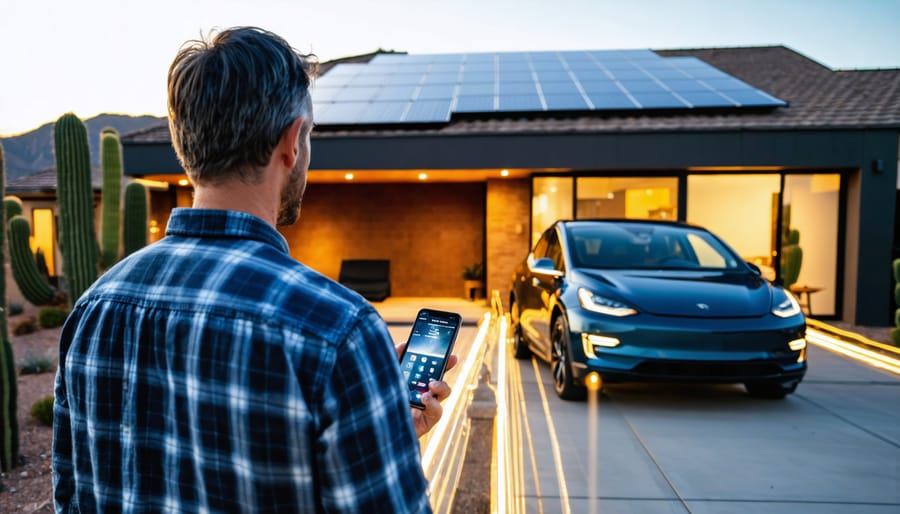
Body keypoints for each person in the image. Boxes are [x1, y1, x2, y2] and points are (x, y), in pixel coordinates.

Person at [53, 26, 454, 513]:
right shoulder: (337, 330)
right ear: (290, 143)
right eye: (308, 137)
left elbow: (71, 498)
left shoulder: (93, 310)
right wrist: (383, 437)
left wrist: (378, 430)